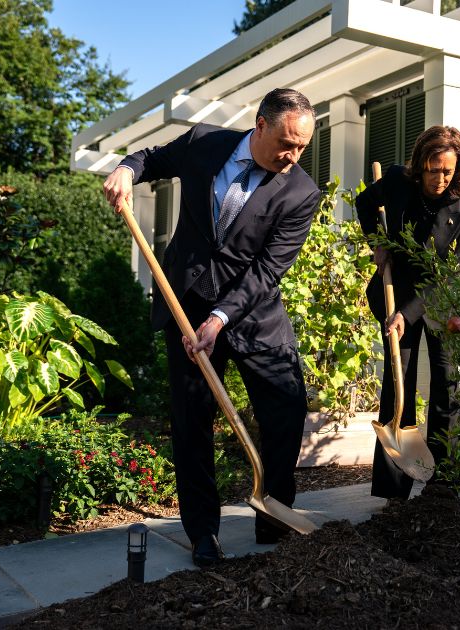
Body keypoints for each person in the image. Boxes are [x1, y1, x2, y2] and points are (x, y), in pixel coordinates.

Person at [102, 88, 320, 568]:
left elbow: (267, 270)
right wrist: (125, 169)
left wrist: (221, 319)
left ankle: (275, 518)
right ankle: (203, 534)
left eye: (302, 146)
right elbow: (149, 158)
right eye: (286, 142)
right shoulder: (204, 143)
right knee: (193, 423)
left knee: (285, 411)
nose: (293, 155)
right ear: (259, 126)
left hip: (254, 316)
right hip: (186, 307)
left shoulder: (301, 191)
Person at [353, 125, 460, 501]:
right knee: (399, 383)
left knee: (447, 388)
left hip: (440, 299)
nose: (439, 179)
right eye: (432, 170)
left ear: (458, 168)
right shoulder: (396, 181)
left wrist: (408, 314)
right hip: (395, 290)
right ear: (419, 165)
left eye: (448, 171)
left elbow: (451, 270)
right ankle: (394, 490)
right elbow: (365, 204)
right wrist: (377, 243)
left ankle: (445, 487)